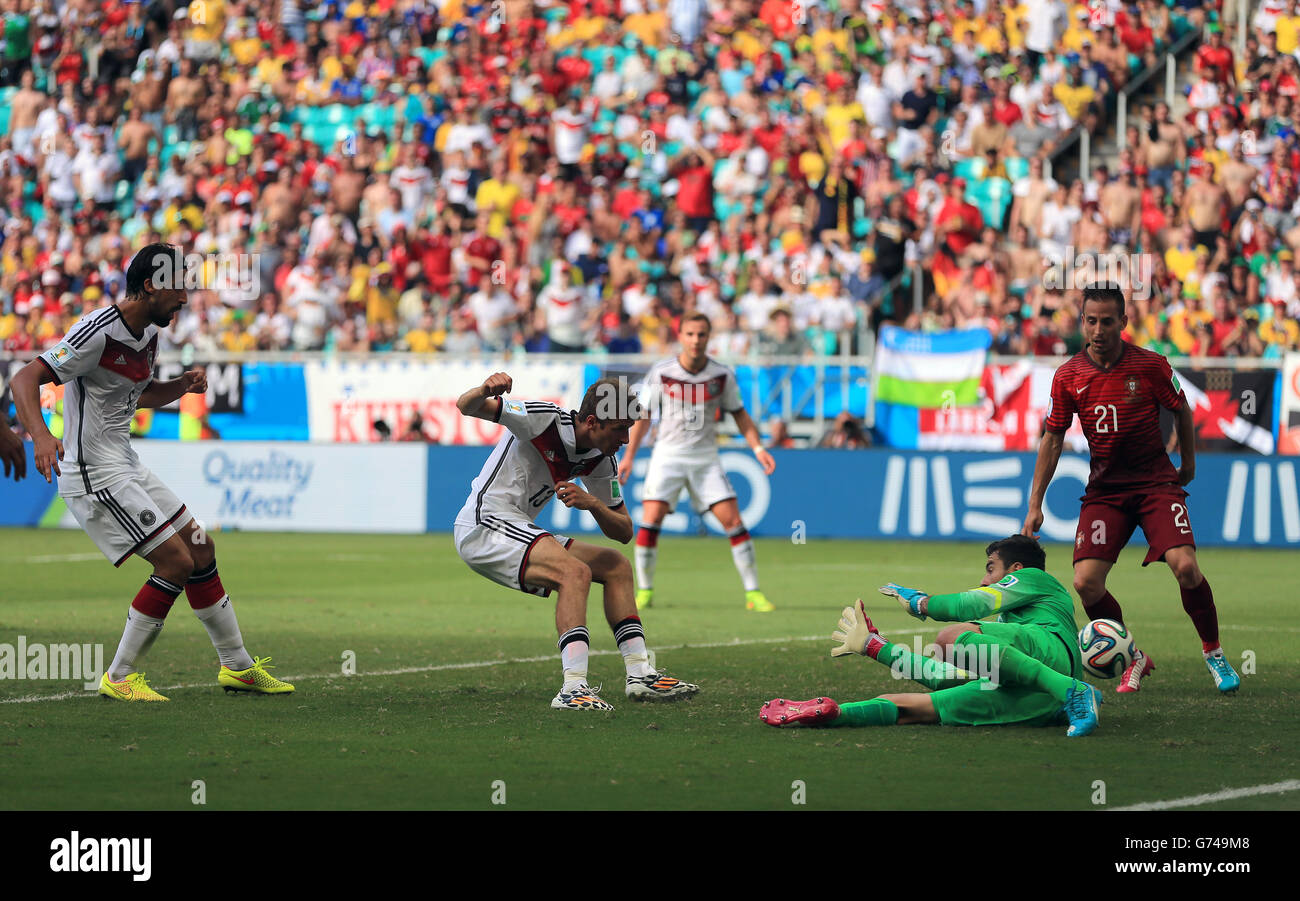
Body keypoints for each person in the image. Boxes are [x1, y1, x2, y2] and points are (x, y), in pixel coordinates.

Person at [8, 244, 293, 701]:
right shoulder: (96, 331)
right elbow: (24, 378)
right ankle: (119, 677)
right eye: (178, 288)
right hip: (93, 475)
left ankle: (236, 666)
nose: (184, 299)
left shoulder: (147, 334)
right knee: (176, 562)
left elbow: (134, 394)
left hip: (126, 465)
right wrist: (41, 436)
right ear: (150, 286)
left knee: (201, 548)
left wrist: (180, 386)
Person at [1021, 284, 1240, 694]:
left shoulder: (1151, 365)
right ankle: (1132, 656)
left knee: (1186, 567)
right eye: (1091, 321)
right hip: (1105, 490)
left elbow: (1182, 409)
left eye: (1107, 321)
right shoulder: (1068, 376)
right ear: (1082, 322)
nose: (1099, 330)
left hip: (1156, 482)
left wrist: (1188, 464)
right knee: (1085, 582)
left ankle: (1214, 653)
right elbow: (1052, 438)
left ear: (1123, 322)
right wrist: (1034, 504)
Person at [453, 373, 699, 710]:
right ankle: (573, 688)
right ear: (594, 422)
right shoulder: (543, 418)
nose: (626, 439)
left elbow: (624, 531)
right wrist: (484, 390)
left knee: (616, 565)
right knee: (575, 573)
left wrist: (594, 504)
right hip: (484, 524)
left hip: (516, 526)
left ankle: (640, 674)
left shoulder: (601, 458)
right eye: (620, 429)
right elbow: (466, 407)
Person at [759, 535, 1103, 738]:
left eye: (990, 569)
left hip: (1055, 659)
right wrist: (874, 647)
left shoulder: (1035, 579)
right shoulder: (1005, 644)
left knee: (951, 638)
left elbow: (971, 603)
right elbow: (945, 677)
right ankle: (837, 713)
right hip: (1039, 702)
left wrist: (921, 602)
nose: (985, 579)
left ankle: (1072, 692)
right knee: (909, 707)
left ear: (1015, 570)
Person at [618, 312, 778, 612]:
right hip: (667, 456)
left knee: (734, 522)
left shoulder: (722, 375)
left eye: (702, 334)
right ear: (680, 336)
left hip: (706, 459)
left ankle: (753, 593)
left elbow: (739, 413)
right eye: (690, 334)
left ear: (709, 337)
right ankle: (646, 591)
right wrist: (629, 455)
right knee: (650, 522)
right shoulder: (662, 372)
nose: (695, 340)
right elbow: (644, 416)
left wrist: (758, 448)